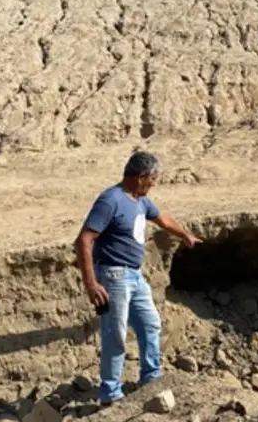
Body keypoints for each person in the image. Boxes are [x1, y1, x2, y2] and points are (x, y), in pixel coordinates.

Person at [73, 150, 202, 405]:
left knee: (150, 323)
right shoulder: (110, 200)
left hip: (134, 274)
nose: (153, 185)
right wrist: (91, 283)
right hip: (113, 275)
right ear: (142, 177)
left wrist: (184, 234)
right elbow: (83, 240)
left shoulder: (140, 200)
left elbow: (162, 219)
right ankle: (111, 394)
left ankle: (151, 378)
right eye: (152, 179)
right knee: (115, 334)